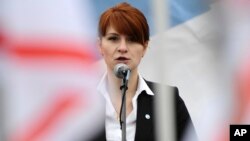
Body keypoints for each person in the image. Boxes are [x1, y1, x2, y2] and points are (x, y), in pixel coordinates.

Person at [91, 2, 197, 141]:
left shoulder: (167, 100)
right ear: (100, 46)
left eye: (132, 40)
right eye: (113, 39)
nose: (122, 47)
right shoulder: (83, 102)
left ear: (145, 47)